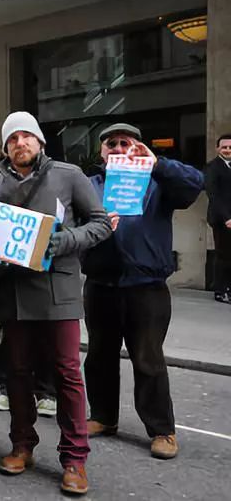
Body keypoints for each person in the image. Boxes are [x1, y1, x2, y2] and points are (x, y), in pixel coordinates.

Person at [0, 111, 112, 495]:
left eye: (26, 136)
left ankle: (74, 459)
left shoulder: (69, 175)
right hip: (14, 295)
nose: (19, 143)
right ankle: (22, 445)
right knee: (17, 373)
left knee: (67, 375)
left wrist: (65, 240)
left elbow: (100, 223)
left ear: (39, 141)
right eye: (12, 139)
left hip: (59, 291)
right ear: (5, 148)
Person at [83, 123, 203, 460]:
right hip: (101, 284)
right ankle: (103, 417)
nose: (119, 148)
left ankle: (162, 430)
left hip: (146, 287)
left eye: (127, 143)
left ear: (139, 148)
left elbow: (195, 184)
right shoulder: (89, 185)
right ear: (102, 152)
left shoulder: (158, 181)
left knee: (148, 359)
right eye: (111, 143)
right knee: (99, 356)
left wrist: (157, 164)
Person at [205, 133, 231, 304]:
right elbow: (213, 195)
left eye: (230, 147)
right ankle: (220, 291)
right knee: (223, 256)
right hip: (222, 220)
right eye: (224, 147)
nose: (227, 150)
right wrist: (227, 218)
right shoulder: (212, 167)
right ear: (217, 149)